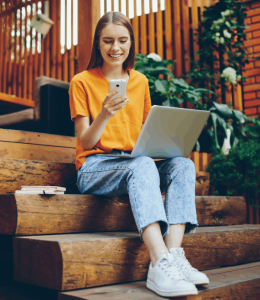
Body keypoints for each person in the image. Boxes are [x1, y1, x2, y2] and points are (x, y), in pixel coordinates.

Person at [69, 11, 209, 298]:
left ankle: (173, 257)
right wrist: (105, 114)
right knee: (142, 164)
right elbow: (85, 141)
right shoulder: (81, 81)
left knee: (182, 164)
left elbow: (147, 132)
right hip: (96, 166)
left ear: (131, 42)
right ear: (98, 43)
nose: (115, 48)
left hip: (135, 160)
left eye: (122, 40)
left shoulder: (140, 82)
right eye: (107, 41)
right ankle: (159, 263)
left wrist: (167, 143)